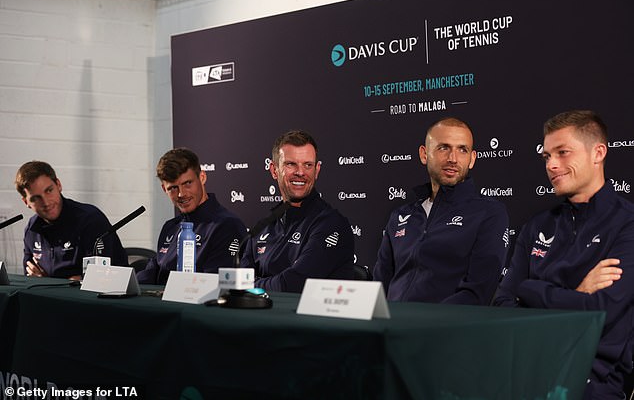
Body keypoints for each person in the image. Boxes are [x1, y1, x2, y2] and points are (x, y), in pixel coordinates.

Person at [494, 110, 634, 399]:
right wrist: (578, 292)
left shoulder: (627, 224)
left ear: (598, 153)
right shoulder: (537, 226)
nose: (552, 165)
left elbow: (601, 315)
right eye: (547, 156)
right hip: (525, 372)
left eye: (563, 153)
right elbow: (502, 307)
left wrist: (532, 289)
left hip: (592, 382)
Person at [374, 117, 509, 304]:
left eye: (463, 150)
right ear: (424, 154)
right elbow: (380, 285)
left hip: (444, 329)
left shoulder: (489, 213)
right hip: (391, 326)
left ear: (472, 159)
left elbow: (478, 291)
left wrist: (423, 322)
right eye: (444, 148)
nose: (453, 159)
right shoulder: (400, 215)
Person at [240, 130, 354, 293]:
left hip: (309, 318)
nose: (300, 172)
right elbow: (239, 278)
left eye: (308, 165)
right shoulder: (263, 226)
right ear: (274, 170)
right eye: (291, 164)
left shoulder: (331, 224)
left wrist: (251, 286)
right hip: (259, 315)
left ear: (317, 170)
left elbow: (294, 284)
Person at [137, 148, 246, 285]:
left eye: (187, 183)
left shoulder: (227, 226)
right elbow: (151, 273)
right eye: (173, 188)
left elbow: (215, 285)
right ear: (164, 189)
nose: (181, 194)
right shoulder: (170, 227)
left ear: (202, 177)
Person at [16, 161, 127, 280]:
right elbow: (30, 279)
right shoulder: (32, 229)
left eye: (49, 191)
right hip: (49, 297)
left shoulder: (90, 219)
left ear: (58, 185)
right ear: (26, 202)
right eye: (36, 198)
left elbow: (99, 277)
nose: (46, 202)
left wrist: (48, 281)